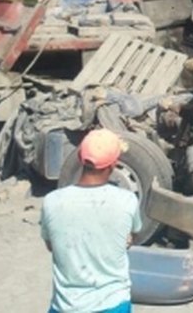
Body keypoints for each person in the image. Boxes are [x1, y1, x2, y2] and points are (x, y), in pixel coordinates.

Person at [40, 129, 142, 313]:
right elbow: (132, 236)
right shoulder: (127, 201)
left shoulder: (52, 201)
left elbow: (51, 245)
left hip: (66, 306)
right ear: (114, 165)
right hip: (113, 304)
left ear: (80, 157)